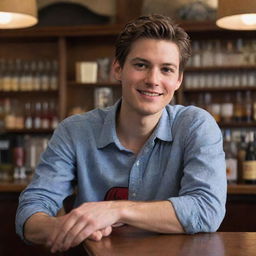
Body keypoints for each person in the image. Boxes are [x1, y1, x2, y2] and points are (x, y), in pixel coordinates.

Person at [16, 14, 226, 253]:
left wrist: (116, 209)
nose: (153, 80)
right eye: (141, 65)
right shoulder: (75, 131)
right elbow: (31, 209)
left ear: (178, 80)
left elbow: (207, 210)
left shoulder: (196, 125)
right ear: (118, 69)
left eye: (166, 69)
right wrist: (62, 227)